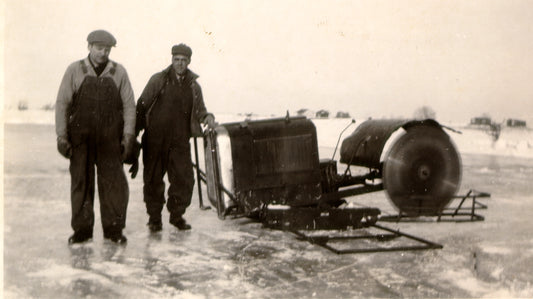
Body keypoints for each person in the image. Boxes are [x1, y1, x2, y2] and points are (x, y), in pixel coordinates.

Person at [55, 30, 136, 244]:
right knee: (81, 182)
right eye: (99, 48)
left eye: (107, 49)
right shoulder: (75, 70)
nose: (103, 53)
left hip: (110, 139)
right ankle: (82, 230)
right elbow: (62, 103)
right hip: (80, 138)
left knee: (113, 184)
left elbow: (129, 106)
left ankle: (114, 229)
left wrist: (128, 136)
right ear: (89, 46)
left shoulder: (118, 72)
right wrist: (62, 137)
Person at [135, 43, 215, 232]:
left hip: (180, 141)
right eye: (176, 59)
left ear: (189, 61)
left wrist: (208, 117)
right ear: (171, 60)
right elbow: (142, 105)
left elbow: (200, 110)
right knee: (153, 180)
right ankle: (154, 218)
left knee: (184, 179)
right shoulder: (159, 80)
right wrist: (134, 133)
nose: (179, 64)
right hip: (155, 140)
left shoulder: (194, 86)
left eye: (183, 60)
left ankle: (176, 215)